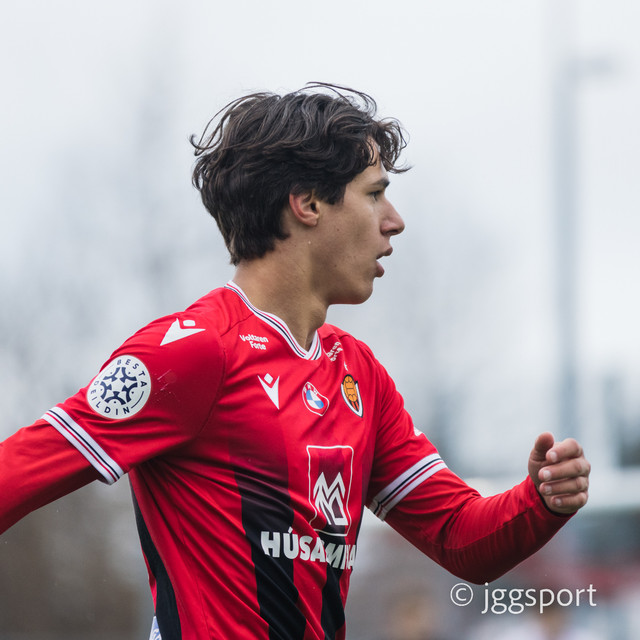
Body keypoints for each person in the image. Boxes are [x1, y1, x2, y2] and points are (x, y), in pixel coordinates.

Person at [0, 83, 590, 640]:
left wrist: (539, 500)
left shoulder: (359, 375)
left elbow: (463, 539)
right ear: (307, 204)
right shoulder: (193, 351)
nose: (395, 220)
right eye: (374, 194)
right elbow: (15, 473)